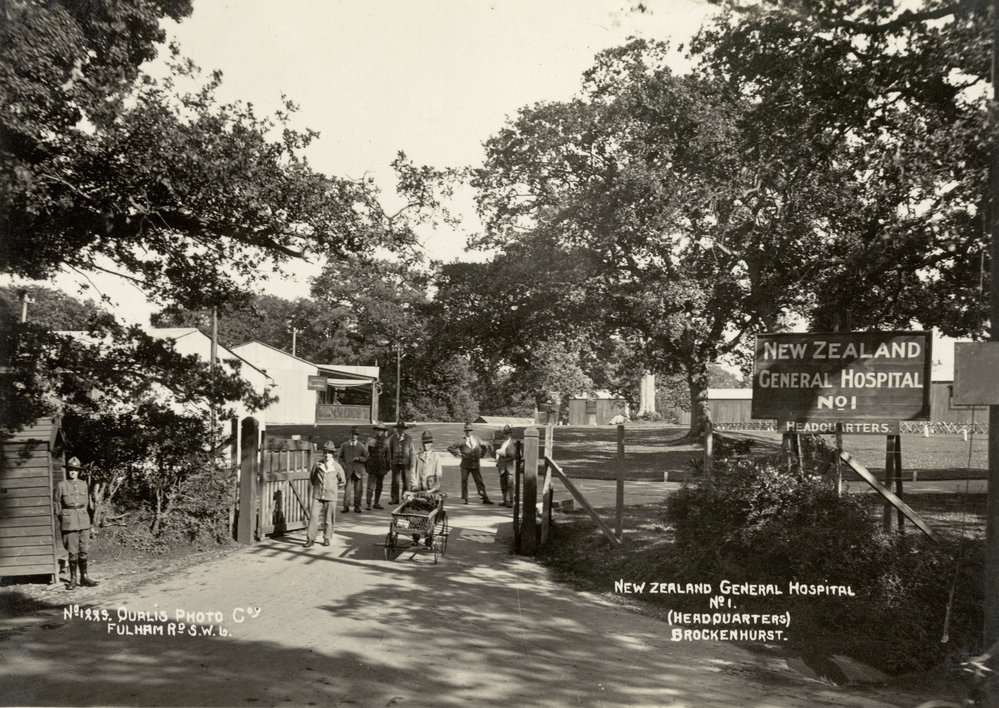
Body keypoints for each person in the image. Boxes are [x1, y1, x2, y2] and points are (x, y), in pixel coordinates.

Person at [53, 456, 98, 589]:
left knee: (84, 550)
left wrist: (91, 524)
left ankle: (84, 578)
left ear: (79, 472)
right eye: (71, 470)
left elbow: (89, 506)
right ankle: (73, 580)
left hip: (83, 520)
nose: (73, 472)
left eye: (75, 470)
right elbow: (56, 504)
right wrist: (63, 517)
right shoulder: (61, 485)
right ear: (68, 471)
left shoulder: (84, 484)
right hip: (69, 521)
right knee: (73, 552)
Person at [402, 430, 445, 547]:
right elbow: (412, 472)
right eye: (424, 443)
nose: (426, 445)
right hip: (418, 490)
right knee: (413, 511)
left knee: (429, 513)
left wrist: (432, 490)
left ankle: (429, 537)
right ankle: (415, 536)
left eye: (428, 443)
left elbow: (438, 477)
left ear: (432, 443)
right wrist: (414, 487)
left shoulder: (436, 458)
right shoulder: (417, 456)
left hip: (430, 491)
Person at [304, 441, 345, 549]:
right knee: (313, 516)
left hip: (331, 496)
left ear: (333, 454)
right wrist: (319, 487)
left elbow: (342, 481)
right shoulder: (317, 465)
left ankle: (327, 537)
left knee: (329, 517)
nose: (327, 455)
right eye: (325, 452)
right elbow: (313, 479)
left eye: (329, 453)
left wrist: (333, 488)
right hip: (318, 495)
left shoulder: (337, 467)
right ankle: (310, 538)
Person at [448, 422, 494, 505]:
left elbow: (484, 447)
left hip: (475, 465)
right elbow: (450, 448)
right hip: (465, 465)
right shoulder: (461, 440)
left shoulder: (477, 439)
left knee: (479, 481)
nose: (468, 432)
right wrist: (458, 454)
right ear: (464, 431)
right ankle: (465, 498)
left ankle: (484, 497)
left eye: (469, 430)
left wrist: (481, 455)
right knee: (464, 481)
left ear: (472, 431)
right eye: (466, 430)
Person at [339, 426, 368, 513]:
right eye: (352, 434)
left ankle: (357, 506)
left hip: (358, 470)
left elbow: (366, 457)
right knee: (347, 489)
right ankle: (346, 506)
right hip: (348, 470)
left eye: (355, 435)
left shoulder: (361, 446)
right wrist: (343, 465)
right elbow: (340, 457)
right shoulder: (344, 445)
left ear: (357, 436)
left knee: (358, 489)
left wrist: (360, 458)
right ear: (349, 435)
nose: (353, 436)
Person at [365, 423, 391, 510]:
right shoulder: (370, 440)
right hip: (372, 466)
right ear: (376, 430)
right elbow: (366, 454)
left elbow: (388, 455)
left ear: (384, 432)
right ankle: (368, 503)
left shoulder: (386, 441)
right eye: (378, 430)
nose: (380, 432)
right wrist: (366, 465)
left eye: (382, 430)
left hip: (381, 466)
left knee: (379, 486)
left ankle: (376, 502)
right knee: (370, 486)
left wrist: (388, 466)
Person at [388, 421, 414, 505]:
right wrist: (390, 461)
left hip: (405, 463)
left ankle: (405, 498)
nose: (400, 430)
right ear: (396, 429)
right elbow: (390, 451)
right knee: (395, 481)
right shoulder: (392, 438)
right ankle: (394, 498)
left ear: (404, 429)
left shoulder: (409, 438)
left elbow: (412, 452)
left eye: (401, 428)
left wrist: (412, 462)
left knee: (406, 481)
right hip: (395, 462)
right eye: (398, 428)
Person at [494, 424, 516, 507]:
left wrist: (500, 452)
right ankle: (505, 500)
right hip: (502, 466)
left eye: (507, 433)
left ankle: (512, 501)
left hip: (509, 467)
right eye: (505, 433)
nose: (506, 435)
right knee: (503, 484)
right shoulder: (504, 443)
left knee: (510, 485)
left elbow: (512, 454)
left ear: (510, 434)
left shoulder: (512, 443)